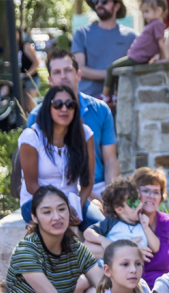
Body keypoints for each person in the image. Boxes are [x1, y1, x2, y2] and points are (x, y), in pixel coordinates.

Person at [5, 186, 105, 293]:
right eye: (47, 212)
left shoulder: (76, 248)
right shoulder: (26, 252)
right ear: (35, 217)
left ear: (69, 211)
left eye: (61, 209)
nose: (56, 217)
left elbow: (104, 290)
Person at [27, 50, 120, 202]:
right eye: (57, 72)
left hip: (98, 185)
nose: (63, 76)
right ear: (50, 80)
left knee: (133, 206)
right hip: (56, 188)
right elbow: (36, 172)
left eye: (68, 70)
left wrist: (111, 196)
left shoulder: (101, 110)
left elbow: (110, 159)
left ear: (78, 75)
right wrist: (89, 198)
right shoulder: (37, 117)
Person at [18, 85, 99, 231]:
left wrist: (77, 207)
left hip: (73, 201)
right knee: (58, 230)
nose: (64, 109)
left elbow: (88, 181)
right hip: (37, 200)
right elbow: (31, 185)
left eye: (70, 104)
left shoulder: (85, 135)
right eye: (57, 104)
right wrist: (62, 208)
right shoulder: (31, 137)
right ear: (48, 108)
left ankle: (93, 254)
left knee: (101, 229)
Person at [102, 0, 169, 101]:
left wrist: (165, 58)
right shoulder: (154, 24)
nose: (144, 15)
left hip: (137, 58)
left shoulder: (157, 24)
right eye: (143, 12)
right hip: (137, 56)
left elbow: (161, 42)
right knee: (117, 73)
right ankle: (115, 97)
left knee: (110, 69)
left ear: (158, 11)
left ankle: (104, 96)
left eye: (147, 11)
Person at [71, 0, 137, 97]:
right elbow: (80, 69)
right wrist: (111, 74)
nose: (99, 4)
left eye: (104, 1)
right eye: (96, 1)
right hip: (89, 104)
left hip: (122, 102)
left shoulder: (131, 36)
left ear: (116, 6)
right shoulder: (82, 33)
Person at [84, 179, 159, 261]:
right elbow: (88, 233)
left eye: (139, 199)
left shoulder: (142, 224)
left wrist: (146, 227)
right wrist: (103, 241)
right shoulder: (111, 222)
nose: (140, 204)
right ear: (119, 209)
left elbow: (155, 247)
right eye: (134, 202)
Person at [132, 167, 169, 286]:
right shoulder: (123, 222)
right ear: (135, 193)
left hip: (163, 291)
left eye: (156, 192)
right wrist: (126, 250)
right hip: (132, 290)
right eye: (146, 190)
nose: (151, 196)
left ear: (161, 197)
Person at [18, 29, 41, 114]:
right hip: (21, 80)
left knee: (29, 107)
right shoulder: (14, 48)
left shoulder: (26, 46)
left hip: (31, 79)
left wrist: (27, 74)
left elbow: (36, 62)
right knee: (23, 107)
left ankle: (34, 125)